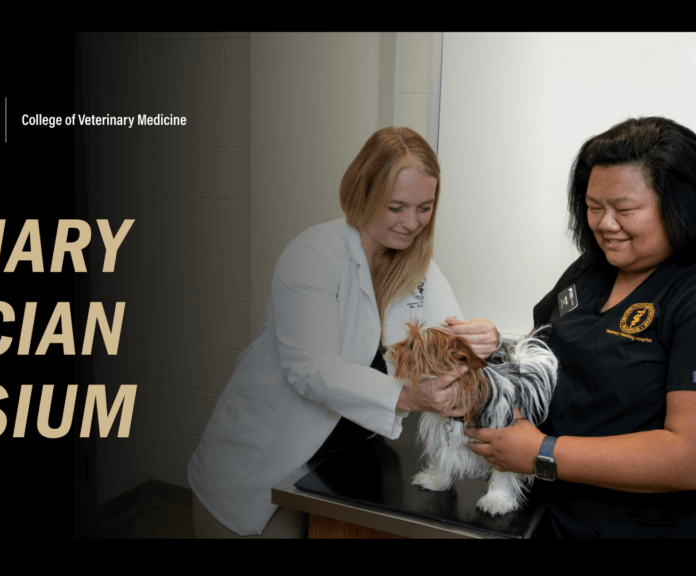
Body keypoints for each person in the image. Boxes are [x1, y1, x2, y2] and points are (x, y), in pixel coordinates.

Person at [187, 127, 500, 538]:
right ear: (363, 192)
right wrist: (408, 396)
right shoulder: (314, 254)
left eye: (424, 208)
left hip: (340, 459)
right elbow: (311, 369)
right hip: (261, 457)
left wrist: (482, 341)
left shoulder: (417, 267)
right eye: (396, 207)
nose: (411, 224)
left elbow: (449, 347)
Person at [464, 117, 696, 538]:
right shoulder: (592, 270)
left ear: (681, 204)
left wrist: (542, 453)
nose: (606, 224)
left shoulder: (688, 294)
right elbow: (545, 357)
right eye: (593, 207)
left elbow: (689, 456)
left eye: (624, 210)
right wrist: (491, 350)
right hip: (546, 515)